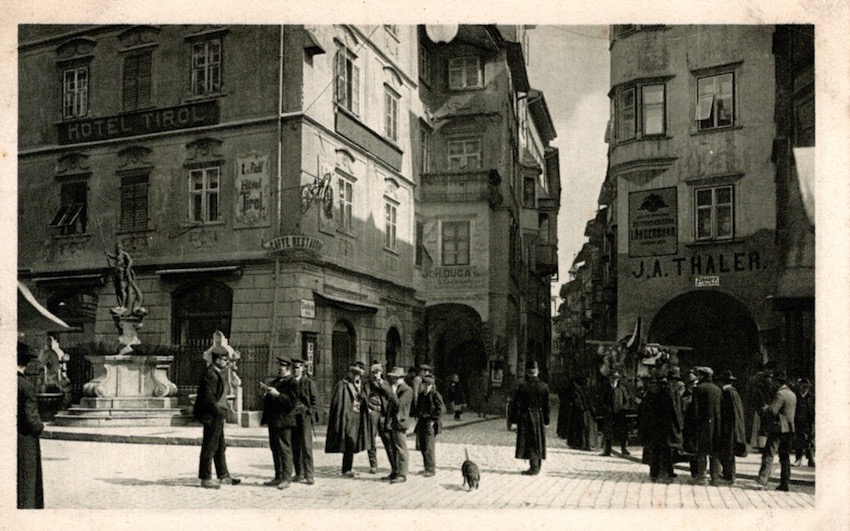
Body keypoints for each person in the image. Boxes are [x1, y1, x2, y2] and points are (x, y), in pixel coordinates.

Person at [193, 346, 241, 489]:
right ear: (217, 360)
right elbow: (208, 398)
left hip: (217, 415)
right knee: (210, 446)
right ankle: (205, 478)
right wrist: (219, 411)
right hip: (212, 416)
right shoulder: (211, 374)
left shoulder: (217, 372)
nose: (227, 362)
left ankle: (224, 476)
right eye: (225, 360)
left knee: (220, 446)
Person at [325, 364, 371, 477]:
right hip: (346, 417)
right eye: (354, 373)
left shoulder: (359, 385)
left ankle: (347, 468)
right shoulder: (342, 385)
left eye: (358, 374)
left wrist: (360, 389)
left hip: (357, 417)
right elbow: (337, 402)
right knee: (349, 441)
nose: (356, 376)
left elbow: (364, 398)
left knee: (353, 442)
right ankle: (346, 469)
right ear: (349, 373)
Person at [756, 370, 797, 491]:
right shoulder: (792, 394)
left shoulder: (780, 394)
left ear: (778, 382)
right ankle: (785, 483)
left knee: (769, 454)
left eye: (774, 381)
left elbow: (772, 411)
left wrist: (764, 408)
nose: (772, 383)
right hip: (789, 429)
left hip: (778, 429)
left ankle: (762, 479)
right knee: (785, 457)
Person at [260, 357, 297, 489]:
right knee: (275, 448)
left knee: (285, 449)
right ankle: (278, 476)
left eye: (281, 367)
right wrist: (267, 395)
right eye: (278, 366)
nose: (278, 369)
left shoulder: (292, 383)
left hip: (285, 421)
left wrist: (277, 395)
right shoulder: (276, 381)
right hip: (273, 420)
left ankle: (286, 478)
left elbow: (292, 403)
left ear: (288, 368)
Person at [509, 360, 550, 475]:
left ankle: (534, 467)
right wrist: (546, 421)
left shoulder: (522, 387)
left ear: (527, 372)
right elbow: (547, 405)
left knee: (529, 441)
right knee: (538, 440)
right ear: (538, 372)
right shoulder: (544, 386)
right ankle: (537, 464)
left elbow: (516, 404)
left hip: (525, 416)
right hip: (538, 416)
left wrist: (514, 421)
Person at [642, 367, 683, 483]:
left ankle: (655, 473)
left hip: (656, 425)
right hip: (667, 425)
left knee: (657, 449)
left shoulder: (657, 390)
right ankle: (663, 474)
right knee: (665, 450)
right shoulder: (671, 391)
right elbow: (675, 411)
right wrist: (679, 425)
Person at [18, 341, 44, 509]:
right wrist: (39, 427)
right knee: (27, 481)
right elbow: (32, 420)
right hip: (24, 440)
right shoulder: (26, 386)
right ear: (26, 363)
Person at [691, 366, 723, 486]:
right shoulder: (718, 389)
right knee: (715, 451)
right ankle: (715, 478)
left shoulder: (698, 389)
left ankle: (702, 477)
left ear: (702, 376)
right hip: (716, 424)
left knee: (702, 451)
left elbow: (695, 409)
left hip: (703, 425)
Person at [384, 366, 414, 483]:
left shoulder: (407, 390)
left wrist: (392, 393)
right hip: (393, 422)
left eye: (395, 378)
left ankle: (402, 474)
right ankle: (395, 472)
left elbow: (399, 405)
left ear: (401, 378)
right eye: (392, 378)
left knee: (401, 448)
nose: (393, 380)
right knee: (393, 447)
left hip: (400, 422)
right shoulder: (397, 389)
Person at [291, 358, 318, 485]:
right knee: (295, 445)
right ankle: (299, 473)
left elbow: (315, 401)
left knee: (306, 446)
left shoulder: (308, 382)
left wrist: (309, 412)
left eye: (298, 367)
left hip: (304, 417)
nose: (296, 370)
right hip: (292, 416)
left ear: (302, 368)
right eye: (294, 367)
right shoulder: (290, 382)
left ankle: (309, 475)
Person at [718, 370, 747, 484]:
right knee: (728, 451)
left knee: (728, 450)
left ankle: (729, 474)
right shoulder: (733, 393)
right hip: (732, 426)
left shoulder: (728, 393)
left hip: (729, 427)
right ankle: (729, 473)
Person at [414, 374, 445, 477]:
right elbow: (418, 406)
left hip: (430, 423)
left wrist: (434, 420)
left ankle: (431, 469)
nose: (427, 386)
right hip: (422, 422)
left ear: (432, 385)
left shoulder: (435, 395)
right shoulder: (422, 394)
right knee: (422, 446)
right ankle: (426, 468)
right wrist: (417, 415)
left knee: (429, 447)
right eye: (425, 384)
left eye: (429, 384)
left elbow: (441, 409)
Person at [365, 362, 394, 474]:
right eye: (373, 372)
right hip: (372, 411)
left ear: (381, 373)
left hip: (383, 413)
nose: (375, 375)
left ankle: (393, 465)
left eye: (377, 372)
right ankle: (373, 465)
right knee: (371, 439)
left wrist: (381, 383)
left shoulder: (385, 383)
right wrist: (367, 407)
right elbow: (364, 396)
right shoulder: (368, 384)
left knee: (387, 438)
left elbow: (389, 395)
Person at [598, 370, 631, 456]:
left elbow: (627, 401)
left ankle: (624, 448)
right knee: (608, 432)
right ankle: (607, 450)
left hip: (620, 414)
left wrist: (623, 409)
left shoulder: (622, 389)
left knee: (622, 432)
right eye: (612, 378)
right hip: (609, 413)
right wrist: (606, 409)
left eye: (616, 378)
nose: (614, 380)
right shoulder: (606, 388)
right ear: (609, 378)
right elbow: (601, 401)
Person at [793, 377, 815, 468]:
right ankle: (798, 459)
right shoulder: (796, 396)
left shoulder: (811, 397)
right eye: (803, 386)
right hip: (798, 421)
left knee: (810, 440)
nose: (805, 388)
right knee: (798, 441)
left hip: (808, 421)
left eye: (807, 387)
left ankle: (811, 458)